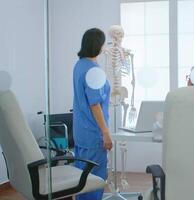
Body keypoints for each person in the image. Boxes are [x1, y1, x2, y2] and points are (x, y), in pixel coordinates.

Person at [73, 28, 112, 200]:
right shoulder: (94, 70)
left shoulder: (79, 65)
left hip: (81, 132)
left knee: (82, 178)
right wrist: (105, 133)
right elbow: (95, 104)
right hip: (94, 133)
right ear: (98, 45)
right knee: (94, 179)